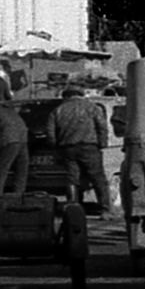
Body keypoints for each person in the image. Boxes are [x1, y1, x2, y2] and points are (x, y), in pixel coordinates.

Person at [47, 83, 118, 216]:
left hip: (67, 148)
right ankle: (106, 210)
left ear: (66, 96)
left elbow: (51, 133)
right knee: (98, 179)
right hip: (90, 147)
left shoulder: (57, 110)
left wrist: (56, 147)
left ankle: (74, 209)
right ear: (81, 95)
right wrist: (102, 143)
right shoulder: (93, 108)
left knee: (72, 179)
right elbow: (102, 127)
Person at [0, 78, 30, 198]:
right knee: (21, 173)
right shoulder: (10, 110)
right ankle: (19, 198)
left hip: (9, 141)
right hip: (23, 139)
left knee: (1, 172)